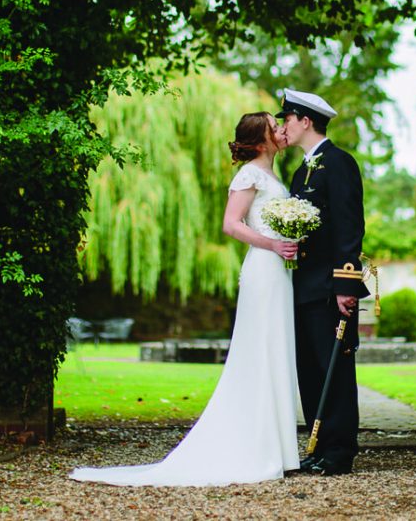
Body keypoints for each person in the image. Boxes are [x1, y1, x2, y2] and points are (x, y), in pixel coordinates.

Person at [70, 112, 300, 486]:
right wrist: (273, 243)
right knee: (259, 349)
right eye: (274, 127)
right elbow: (231, 224)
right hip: (263, 267)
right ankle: (257, 446)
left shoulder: (274, 175)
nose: (281, 130)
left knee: (275, 348)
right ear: (260, 142)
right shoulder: (250, 175)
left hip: (279, 272)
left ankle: (278, 447)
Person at [277, 89, 371, 476]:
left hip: (332, 288)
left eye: (287, 119)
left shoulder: (339, 163)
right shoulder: (302, 171)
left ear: (305, 120)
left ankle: (338, 451)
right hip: (304, 286)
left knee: (335, 369)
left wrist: (346, 284)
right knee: (311, 370)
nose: (283, 126)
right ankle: (317, 446)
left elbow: (351, 227)